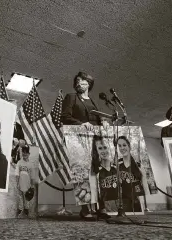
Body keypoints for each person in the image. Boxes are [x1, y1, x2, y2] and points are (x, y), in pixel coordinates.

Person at [61, 71, 108, 219]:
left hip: (95, 140)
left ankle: (101, 207)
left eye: (82, 80)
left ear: (89, 83)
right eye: (77, 81)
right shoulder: (71, 97)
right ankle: (85, 209)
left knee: (97, 172)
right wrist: (81, 124)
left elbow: (98, 119)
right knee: (82, 173)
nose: (78, 83)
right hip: (79, 139)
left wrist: (104, 122)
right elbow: (64, 116)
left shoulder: (93, 102)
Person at [115, 136, 150, 212]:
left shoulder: (138, 165)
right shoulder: (117, 165)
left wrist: (146, 204)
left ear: (129, 146)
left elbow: (145, 185)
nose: (122, 148)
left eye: (124, 145)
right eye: (119, 146)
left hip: (137, 199)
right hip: (124, 200)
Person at [90, 136, 114, 219]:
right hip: (92, 172)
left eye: (104, 147)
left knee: (102, 187)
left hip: (101, 170)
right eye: (100, 148)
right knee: (93, 188)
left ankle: (102, 209)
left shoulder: (106, 158)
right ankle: (93, 209)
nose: (103, 150)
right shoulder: (92, 156)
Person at [15, 144, 38, 218]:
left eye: (26, 152)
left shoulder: (30, 164)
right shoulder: (19, 162)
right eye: (23, 152)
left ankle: (26, 210)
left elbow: (32, 176)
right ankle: (20, 210)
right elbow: (17, 174)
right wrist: (17, 183)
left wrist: (32, 185)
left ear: (29, 154)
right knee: (20, 197)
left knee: (26, 198)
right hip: (20, 183)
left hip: (27, 184)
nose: (25, 154)